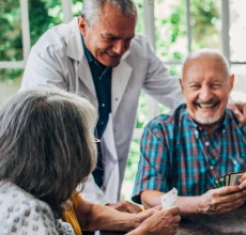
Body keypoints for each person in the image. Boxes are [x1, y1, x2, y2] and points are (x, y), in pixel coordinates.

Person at [19, 0, 246, 207]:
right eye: (110, 38)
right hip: (50, 175)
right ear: (83, 25)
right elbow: (54, 139)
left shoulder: (137, 50)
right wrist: (98, 208)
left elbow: (174, 91)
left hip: (102, 170)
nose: (120, 49)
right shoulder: (51, 53)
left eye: (127, 39)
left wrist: (228, 105)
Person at [132, 49, 246, 215]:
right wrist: (199, 204)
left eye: (215, 85)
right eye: (195, 86)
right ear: (182, 87)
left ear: (230, 84)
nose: (205, 96)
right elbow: (149, 198)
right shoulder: (160, 131)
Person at [0, 88, 180, 235]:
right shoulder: (29, 211)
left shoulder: (33, 188)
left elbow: (85, 215)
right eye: (87, 140)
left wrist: (139, 221)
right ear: (63, 154)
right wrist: (146, 232)